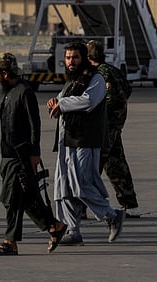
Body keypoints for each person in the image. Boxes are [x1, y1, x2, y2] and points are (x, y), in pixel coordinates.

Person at [0, 52, 67, 256]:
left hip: (20, 155)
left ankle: (10, 242)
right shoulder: (10, 91)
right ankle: (54, 226)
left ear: (4, 73)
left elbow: (34, 124)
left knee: (11, 200)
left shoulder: (24, 92)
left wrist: (34, 153)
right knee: (27, 197)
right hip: (8, 154)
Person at [47, 41, 124, 246]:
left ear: (84, 58)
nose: (71, 62)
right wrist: (55, 102)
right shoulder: (71, 81)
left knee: (81, 184)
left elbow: (88, 101)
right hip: (67, 139)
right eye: (68, 58)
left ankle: (111, 215)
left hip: (85, 140)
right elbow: (61, 99)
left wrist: (61, 104)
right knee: (62, 187)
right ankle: (72, 230)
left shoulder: (95, 78)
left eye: (75, 57)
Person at [85, 40, 141, 218]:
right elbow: (127, 91)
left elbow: (108, 100)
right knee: (117, 165)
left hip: (104, 128)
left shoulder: (99, 74)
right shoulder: (114, 70)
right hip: (115, 126)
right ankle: (130, 205)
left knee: (91, 167)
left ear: (88, 57)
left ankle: (82, 207)